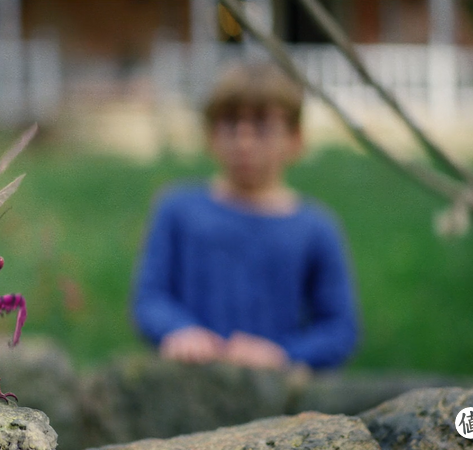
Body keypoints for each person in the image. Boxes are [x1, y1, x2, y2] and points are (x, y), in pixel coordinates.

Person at [132, 61, 359, 371]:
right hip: (190, 380)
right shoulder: (177, 210)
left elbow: (339, 329)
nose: (244, 141)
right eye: (231, 124)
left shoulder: (315, 228)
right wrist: (178, 330)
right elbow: (149, 299)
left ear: (295, 139)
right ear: (211, 134)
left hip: (280, 401)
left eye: (262, 125)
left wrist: (283, 355)